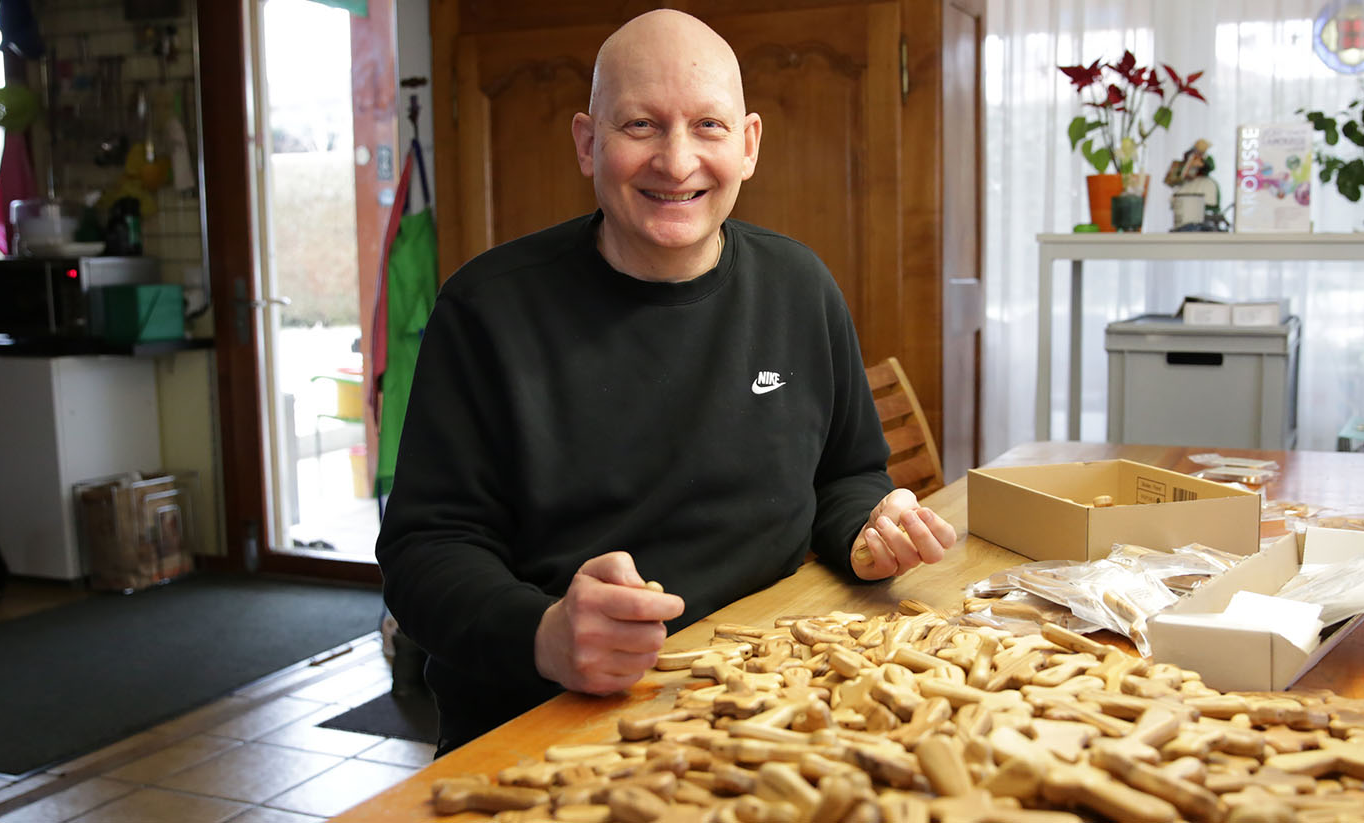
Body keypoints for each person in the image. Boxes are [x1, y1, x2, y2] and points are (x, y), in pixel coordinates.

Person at [374, 9, 959, 755]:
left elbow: (847, 473)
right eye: (642, 125)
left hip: (771, 703)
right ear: (589, 143)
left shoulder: (799, 286)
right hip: (547, 722)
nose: (676, 162)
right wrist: (546, 634)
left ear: (747, 145)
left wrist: (870, 527)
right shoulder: (485, 310)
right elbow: (424, 551)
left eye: (707, 126)